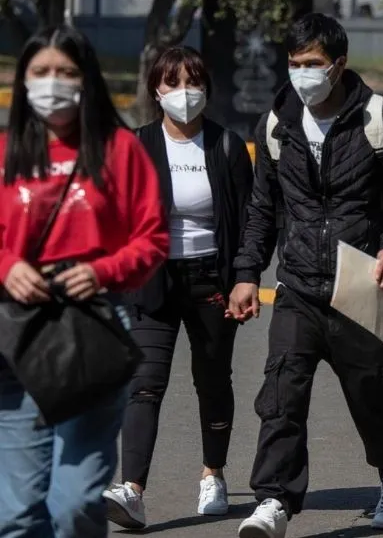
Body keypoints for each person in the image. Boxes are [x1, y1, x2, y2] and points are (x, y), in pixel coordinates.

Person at [228, 14, 383, 538]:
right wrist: (247, 272)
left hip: (361, 281)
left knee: (375, 394)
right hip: (297, 284)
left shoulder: (377, 117)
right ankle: (273, 500)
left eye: (312, 64)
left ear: (338, 64)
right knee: (281, 397)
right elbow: (261, 206)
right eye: (294, 64)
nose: (301, 74)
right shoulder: (276, 123)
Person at [0, 25, 168, 538]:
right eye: (42, 72)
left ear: (86, 80)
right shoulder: (8, 152)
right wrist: (7, 264)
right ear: (23, 81)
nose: (54, 83)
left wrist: (101, 270)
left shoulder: (119, 151)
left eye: (66, 73)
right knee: (15, 515)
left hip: (92, 329)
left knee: (72, 508)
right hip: (17, 334)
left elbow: (153, 239)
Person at [102, 46, 254, 529]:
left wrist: (244, 278)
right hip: (152, 282)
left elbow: (251, 221)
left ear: (206, 89)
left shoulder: (227, 146)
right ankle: (133, 489)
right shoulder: (134, 145)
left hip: (212, 279)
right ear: (156, 90)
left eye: (193, 83)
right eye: (173, 83)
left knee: (212, 381)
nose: (184, 93)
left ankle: (214, 474)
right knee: (144, 384)